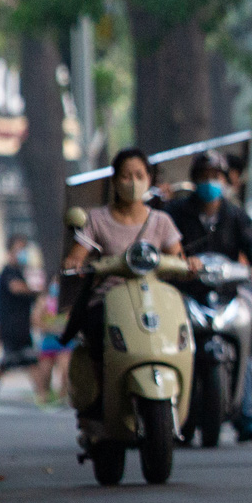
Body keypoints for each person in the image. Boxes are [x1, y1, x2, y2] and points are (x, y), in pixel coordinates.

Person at [61, 148, 190, 419]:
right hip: (109, 299)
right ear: (114, 181)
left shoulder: (161, 221)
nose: (132, 182)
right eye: (126, 176)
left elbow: (179, 258)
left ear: (149, 179)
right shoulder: (97, 219)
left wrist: (188, 265)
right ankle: (100, 397)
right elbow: (77, 255)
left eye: (139, 175)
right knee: (95, 331)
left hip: (153, 300)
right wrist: (75, 263)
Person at [165, 152, 252, 442]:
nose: (209, 183)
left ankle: (245, 415)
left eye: (215, 177)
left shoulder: (236, 216)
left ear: (225, 182)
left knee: (249, 326)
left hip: (227, 295)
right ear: (194, 180)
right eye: (203, 177)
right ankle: (167, 412)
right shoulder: (175, 213)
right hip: (186, 294)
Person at [0, 235, 43, 401]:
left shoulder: (20, 272)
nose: (23, 253)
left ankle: (42, 395)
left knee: (29, 360)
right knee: (8, 361)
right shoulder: (8, 272)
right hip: (11, 325)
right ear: (10, 251)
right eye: (20, 249)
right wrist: (35, 291)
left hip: (22, 325)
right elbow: (16, 288)